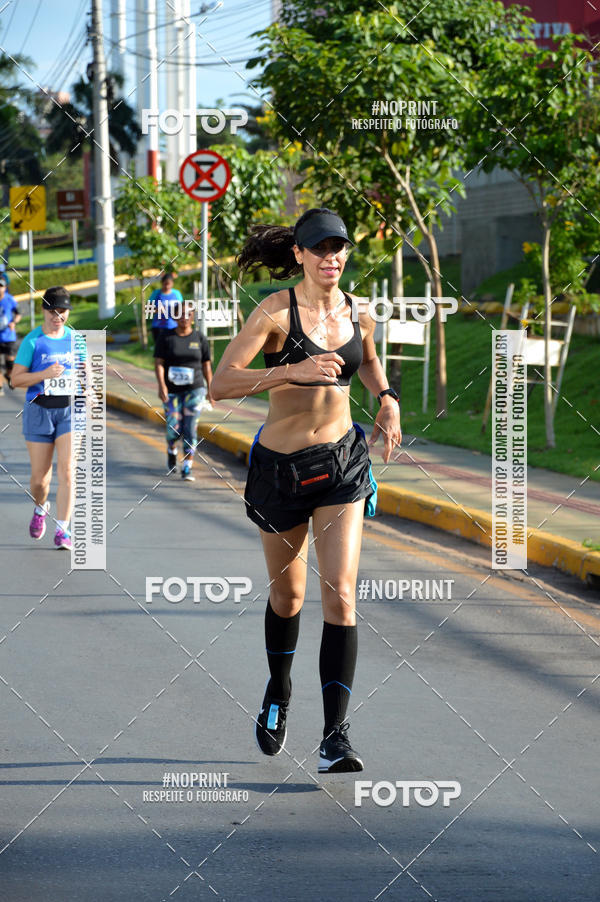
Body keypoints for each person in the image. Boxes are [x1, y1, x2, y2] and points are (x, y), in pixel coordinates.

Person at [210, 208, 402, 773]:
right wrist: (289, 372)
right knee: (288, 597)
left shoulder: (358, 312)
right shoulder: (274, 312)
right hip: (281, 470)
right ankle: (278, 689)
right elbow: (221, 384)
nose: (331, 258)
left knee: (341, 594)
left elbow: (365, 361)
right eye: (319, 248)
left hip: (342, 461)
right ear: (298, 253)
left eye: (339, 248)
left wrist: (387, 396)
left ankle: (335, 736)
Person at [11, 286, 76, 550]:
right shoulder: (32, 341)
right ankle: (40, 509)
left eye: (62, 311)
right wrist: (45, 374)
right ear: (43, 310)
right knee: (40, 480)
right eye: (52, 311)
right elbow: (15, 379)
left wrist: (91, 391)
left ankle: (63, 529)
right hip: (39, 410)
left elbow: (87, 373)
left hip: (70, 410)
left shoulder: (77, 339)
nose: (57, 316)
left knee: (68, 470)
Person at [154, 300, 213, 481]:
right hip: (172, 391)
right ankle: (172, 451)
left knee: (190, 428)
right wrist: (162, 385)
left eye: (188, 314)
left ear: (193, 317)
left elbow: (206, 366)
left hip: (194, 390)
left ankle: (187, 467)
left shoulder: (199, 338)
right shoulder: (166, 337)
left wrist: (211, 389)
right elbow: (159, 363)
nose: (184, 318)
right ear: (174, 317)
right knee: (174, 429)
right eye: (180, 314)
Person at [0, 274, 21, 395]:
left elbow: (18, 314)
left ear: (5, 287)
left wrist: (13, 322)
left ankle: (8, 375)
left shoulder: (10, 299)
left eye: (1, 286)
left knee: (10, 363)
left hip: (8, 336)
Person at [150, 272, 183, 346]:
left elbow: (182, 308)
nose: (167, 286)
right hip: (158, 327)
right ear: (162, 283)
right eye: (165, 284)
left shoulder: (176, 293)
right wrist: (157, 310)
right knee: (160, 350)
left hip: (174, 326)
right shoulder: (156, 293)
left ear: (172, 284)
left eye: (169, 284)